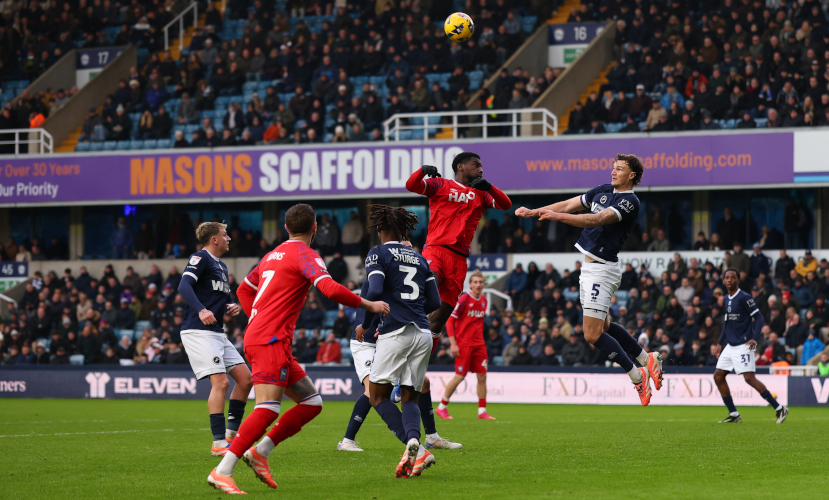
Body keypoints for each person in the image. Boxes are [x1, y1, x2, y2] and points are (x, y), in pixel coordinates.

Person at [211, 204, 389, 494]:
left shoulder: (271, 255)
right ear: (315, 228)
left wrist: (256, 316)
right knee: (267, 408)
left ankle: (260, 453)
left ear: (286, 228)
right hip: (269, 339)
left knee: (311, 403)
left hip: (267, 337)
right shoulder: (305, 254)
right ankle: (222, 471)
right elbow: (329, 289)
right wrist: (369, 304)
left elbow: (243, 289)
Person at [515, 154, 662, 406]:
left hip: (602, 271)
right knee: (604, 326)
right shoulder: (603, 190)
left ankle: (637, 376)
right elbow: (569, 204)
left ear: (632, 175)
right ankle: (645, 358)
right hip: (590, 269)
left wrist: (557, 217)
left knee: (592, 335)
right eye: (613, 167)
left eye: (619, 169)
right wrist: (535, 212)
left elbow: (596, 219)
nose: (613, 172)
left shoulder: (630, 202)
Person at [337, 238, 460, 453]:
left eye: (410, 248)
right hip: (367, 340)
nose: (407, 252)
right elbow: (373, 302)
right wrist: (374, 325)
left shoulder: (402, 272)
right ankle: (348, 440)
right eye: (404, 247)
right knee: (372, 391)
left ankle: (431, 437)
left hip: (393, 336)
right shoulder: (382, 271)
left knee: (423, 384)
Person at [353, 205, 441, 478]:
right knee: (410, 395)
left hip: (395, 332)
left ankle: (415, 446)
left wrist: (365, 324)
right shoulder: (420, 258)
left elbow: (375, 290)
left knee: (377, 396)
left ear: (380, 228)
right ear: (403, 230)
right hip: (423, 332)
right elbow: (435, 301)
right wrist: (411, 307)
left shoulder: (377, 253)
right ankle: (415, 441)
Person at [404, 152, 511, 349]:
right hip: (435, 250)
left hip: (459, 261)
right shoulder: (440, 184)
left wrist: (489, 187)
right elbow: (411, 185)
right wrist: (422, 171)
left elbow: (506, 204)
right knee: (429, 285)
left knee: (438, 321)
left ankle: (420, 361)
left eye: (481, 166)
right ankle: (398, 324)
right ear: (460, 166)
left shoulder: (481, 194)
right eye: (476, 165)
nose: (481, 169)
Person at [177, 222, 253, 457]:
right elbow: (184, 286)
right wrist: (201, 310)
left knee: (246, 380)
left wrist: (230, 306)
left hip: (217, 332)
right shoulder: (200, 257)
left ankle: (230, 436)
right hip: (198, 331)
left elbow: (220, 295)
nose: (229, 238)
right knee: (221, 383)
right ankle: (218, 443)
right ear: (214, 239)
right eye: (225, 234)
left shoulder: (221, 265)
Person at [713, 269, 788, 424]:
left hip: (743, 344)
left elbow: (759, 319)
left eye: (733, 277)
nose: (729, 280)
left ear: (738, 280)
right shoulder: (726, 298)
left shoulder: (744, 297)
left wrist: (754, 338)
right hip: (730, 345)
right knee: (718, 376)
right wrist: (720, 343)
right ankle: (734, 414)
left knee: (749, 378)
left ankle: (779, 408)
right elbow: (727, 324)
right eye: (727, 278)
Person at [436, 270, 495, 420]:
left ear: (484, 284)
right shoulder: (463, 299)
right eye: (475, 282)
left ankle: (482, 411)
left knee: (482, 376)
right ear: (470, 284)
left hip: (479, 344)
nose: (478, 285)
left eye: (480, 282)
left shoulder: (484, 301)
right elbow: (450, 321)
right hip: (464, 344)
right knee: (460, 376)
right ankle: (442, 407)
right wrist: (453, 343)